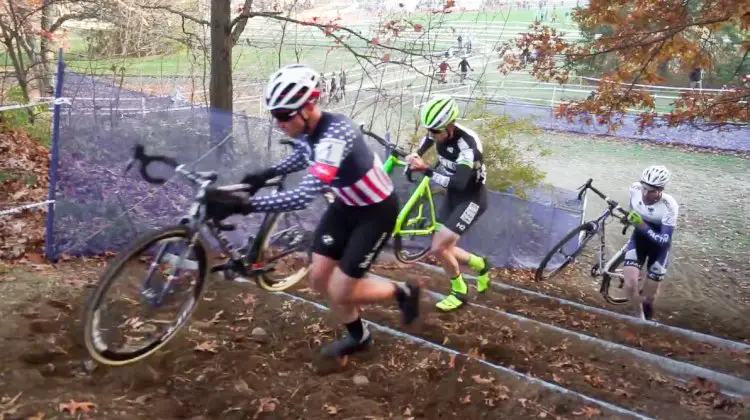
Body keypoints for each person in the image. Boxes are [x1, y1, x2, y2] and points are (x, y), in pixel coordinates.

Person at [230, 64, 421, 356]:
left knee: (341, 291)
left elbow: (305, 195)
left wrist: (246, 205)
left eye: (283, 116)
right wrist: (263, 175)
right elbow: (300, 158)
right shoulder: (308, 132)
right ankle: (360, 337)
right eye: (274, 115)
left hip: (376, 213)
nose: (278, 123)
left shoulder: (336, 134)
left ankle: (403, 292)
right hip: (346, 207)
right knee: (319, 280)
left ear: (307, 108)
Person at [406, 95, 491, 312]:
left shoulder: (468, 148)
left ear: (450, 126)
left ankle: (459, 292)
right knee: (445, 247)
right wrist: (416, 154)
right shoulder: (439, 130)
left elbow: (458, 184)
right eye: (429, 129)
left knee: (438, 248)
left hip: (471, 197)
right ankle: (481, 264)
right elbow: (428, 138)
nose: (431, 134)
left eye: (436, 131)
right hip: (453, 196)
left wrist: (425, 169)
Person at [623, 165, 679, 321]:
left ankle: (647, 311)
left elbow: (663, 240)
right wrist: (630, 220)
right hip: (639, 241)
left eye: (652, 191)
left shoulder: (669, 205)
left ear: (661, 190)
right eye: (644, 188)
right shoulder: (634, 189)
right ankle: (639, 318)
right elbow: (632, 209)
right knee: (629, 284)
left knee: (649, 297)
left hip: (658, 249)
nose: (646, 194)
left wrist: (642, 225)